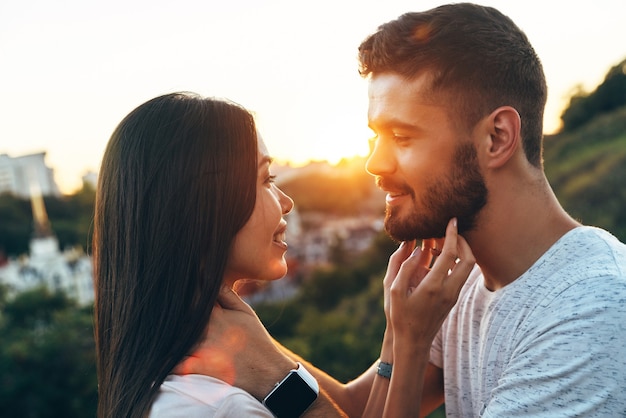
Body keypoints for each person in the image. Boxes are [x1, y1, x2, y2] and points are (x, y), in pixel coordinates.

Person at [178, 2, 626, 417]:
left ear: (497, 138)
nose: (375, 162)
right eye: (377, 137)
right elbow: (360, 406)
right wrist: (254, 346)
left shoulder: (591, 310)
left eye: (403, 137)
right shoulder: (462, 281)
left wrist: (271, 374)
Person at [92, 92, 353, 417]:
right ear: (202, 208)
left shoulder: (178, 376)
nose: (287, 202)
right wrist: (282, 380)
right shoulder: (219, 408)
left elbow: (356, 405)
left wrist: (408, 339)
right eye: (266, 179)